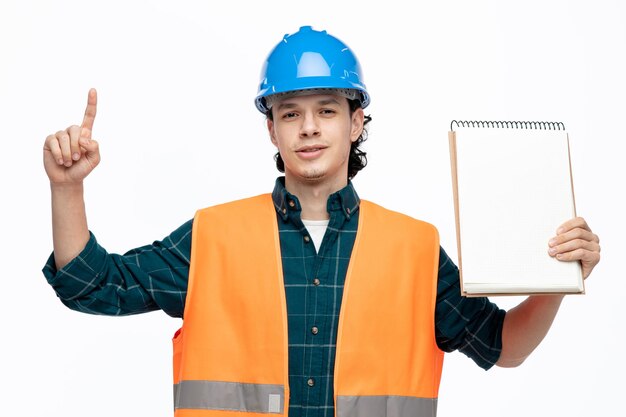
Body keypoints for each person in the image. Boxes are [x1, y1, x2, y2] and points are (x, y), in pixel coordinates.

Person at [42, 26, 601, 417]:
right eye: (290, 113)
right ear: (272, 130)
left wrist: (557, 280)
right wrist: (67, 189)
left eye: (327, 110)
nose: (308, 128)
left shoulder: (414, 248)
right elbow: (93, 285)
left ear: (357, 122)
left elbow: (504, 346)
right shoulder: (212, 237)